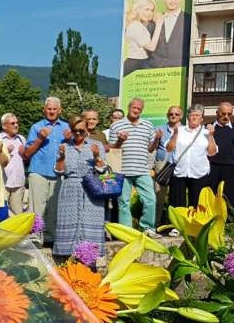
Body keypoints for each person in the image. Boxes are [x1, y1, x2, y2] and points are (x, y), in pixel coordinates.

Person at [53, 115, 107, 261]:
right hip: (70, 188)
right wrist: (61, 158)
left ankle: (90, 260)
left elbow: (103, 171)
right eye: (74, 130)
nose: (78, 134)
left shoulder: (97, 145)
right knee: (69, 225)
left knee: (90, 222)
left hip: (91, 189)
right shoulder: (64, 146)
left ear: (86, 131)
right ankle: (67, 263)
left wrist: (97, 156)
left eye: (81, 131)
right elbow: (58, 172)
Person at [109, 97, 160, 236]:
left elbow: (150, 149)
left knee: (150, 199)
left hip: (142, 169)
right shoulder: (116, 126)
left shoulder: (148, 125)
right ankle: (127, 232)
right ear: (128, 107)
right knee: (123, 202)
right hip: (122, 170)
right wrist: (120, 140)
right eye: (134, 108)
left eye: (139, 109)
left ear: (141, 110)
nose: (136, 110)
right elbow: (113, 149)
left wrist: (156, 139)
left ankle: (147, 228)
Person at [23, 97, 70, 244]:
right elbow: (27, 153)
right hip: (38, 171)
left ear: (60, 110)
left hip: (58, 173)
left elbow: (74, 150)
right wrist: (40, 138)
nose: (51, 111)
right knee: (37, 206)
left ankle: (50, 237)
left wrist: (70, 140)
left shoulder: (67, 127)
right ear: (44, 110)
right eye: (49, 108)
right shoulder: (36, 127)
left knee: (54, 207)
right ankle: (36, 236)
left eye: (54, 109)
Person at [166, 105, 218, 229]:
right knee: (177, 201)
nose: (194, 117)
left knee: (197, 202)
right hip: (180, 171)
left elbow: (212, 153)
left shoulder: (206, 133)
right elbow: (169, 148)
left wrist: (211, 136)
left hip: (199, 172)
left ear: (201, 119)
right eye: (192, 115)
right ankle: (177, 227)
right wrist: (175, 134)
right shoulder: (180, 130)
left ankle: (195, 227)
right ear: (187, 117)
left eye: (197, 115)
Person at [208, 101, 234, 212]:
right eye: (223, 113)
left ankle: (230, 224)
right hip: (211, 166)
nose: (226, 116)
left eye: (229, 114)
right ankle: (209, 223)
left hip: (230, 167)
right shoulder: (208, 127)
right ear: (217, 113)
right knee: (210, 196)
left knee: (230, 197)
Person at [148, 0, 190, 69]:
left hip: (179, 73)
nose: (173, 1)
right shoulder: (154, 20)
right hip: (154, 74)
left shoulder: (189, 20)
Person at [155, 106, 183, 225]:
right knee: (158, 196)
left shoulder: (185, 130)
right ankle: (155, 223)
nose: (174, 116)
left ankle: (174, 225)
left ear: (181, 116)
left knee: (177, 197)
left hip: (179, 165)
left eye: (176, 114)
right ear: (167, 115)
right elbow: (152, 149)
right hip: (162, 165)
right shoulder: (159, 129)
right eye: (171, 114)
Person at [122, 0, 164, 76]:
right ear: (138, 10)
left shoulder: (139, 25)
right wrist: (159, 24)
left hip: (139, 62)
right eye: (146, 9)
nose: (149, 13)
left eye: (152, 10)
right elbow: (151, 47)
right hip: (135, 64)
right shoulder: (136, 26)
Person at [0, 113, 26, 216]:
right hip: (2, 183)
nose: (16, 125)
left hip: (18, 182)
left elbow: (26, 159)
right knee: (1, 214)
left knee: (18, 215)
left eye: (17, 123)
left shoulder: (21, 139)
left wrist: (25, 154)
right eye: (13, 123)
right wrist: (5, 152)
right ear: (4, 126)